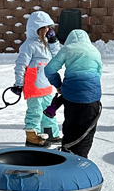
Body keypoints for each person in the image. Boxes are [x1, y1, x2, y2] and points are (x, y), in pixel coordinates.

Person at [44, 29, 103, 158]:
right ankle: (81, 160)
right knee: (86, 131)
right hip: (91, 98)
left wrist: (58, 85)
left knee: (70, 127)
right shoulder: (94, 51)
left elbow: (49, 70)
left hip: (70, 96)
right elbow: (98, 73)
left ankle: (67, 158)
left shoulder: (67, 49)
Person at [12, 11, 62, 147]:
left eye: (50, 27)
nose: (48, 30)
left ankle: (50, 133)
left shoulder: (46, 44)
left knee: (49, 110)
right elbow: (20, 66)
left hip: (46, 85)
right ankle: (33, 137)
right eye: (46, 27)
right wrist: (18, 84)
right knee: (35, 112)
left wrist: (53, 42)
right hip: (33, 86)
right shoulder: (28, 45)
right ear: (38, 29)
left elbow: (57, 57)